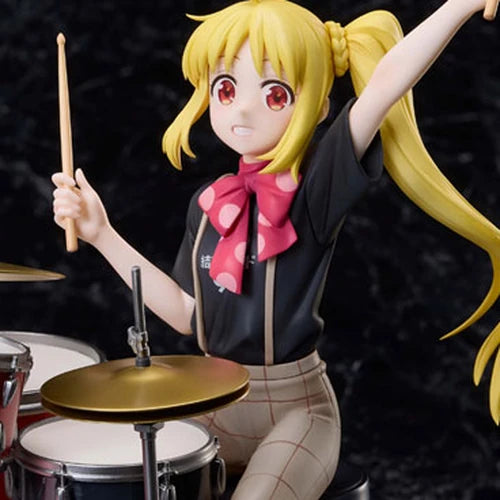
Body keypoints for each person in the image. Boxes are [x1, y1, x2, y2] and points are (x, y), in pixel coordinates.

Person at [52, 1, 500, 498]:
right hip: (212, 396)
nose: (242, 109)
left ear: (318, 106)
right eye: (226, 88)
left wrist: (458, 5)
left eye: (275, 93)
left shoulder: (315, 189)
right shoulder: (209, 205)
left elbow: (385, 85)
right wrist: (102, 234)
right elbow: (184, 312)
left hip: (297, 409)